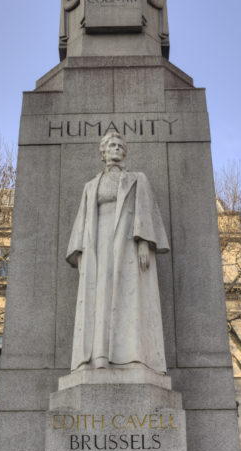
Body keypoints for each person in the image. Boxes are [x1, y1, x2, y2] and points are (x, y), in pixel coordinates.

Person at [66, 132, 169, 373]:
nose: (116, 149)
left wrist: (144, 242)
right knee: (99, 298)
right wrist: (80, 252)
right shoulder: (91, 186)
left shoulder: (137, 179)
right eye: (111, 145)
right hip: (97, 246)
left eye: (121, 145)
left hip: (128, 245)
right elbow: (82, 220)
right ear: (103, 152)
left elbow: (144, 211)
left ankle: (134, 358)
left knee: (129, 299)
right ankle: (98, 358)